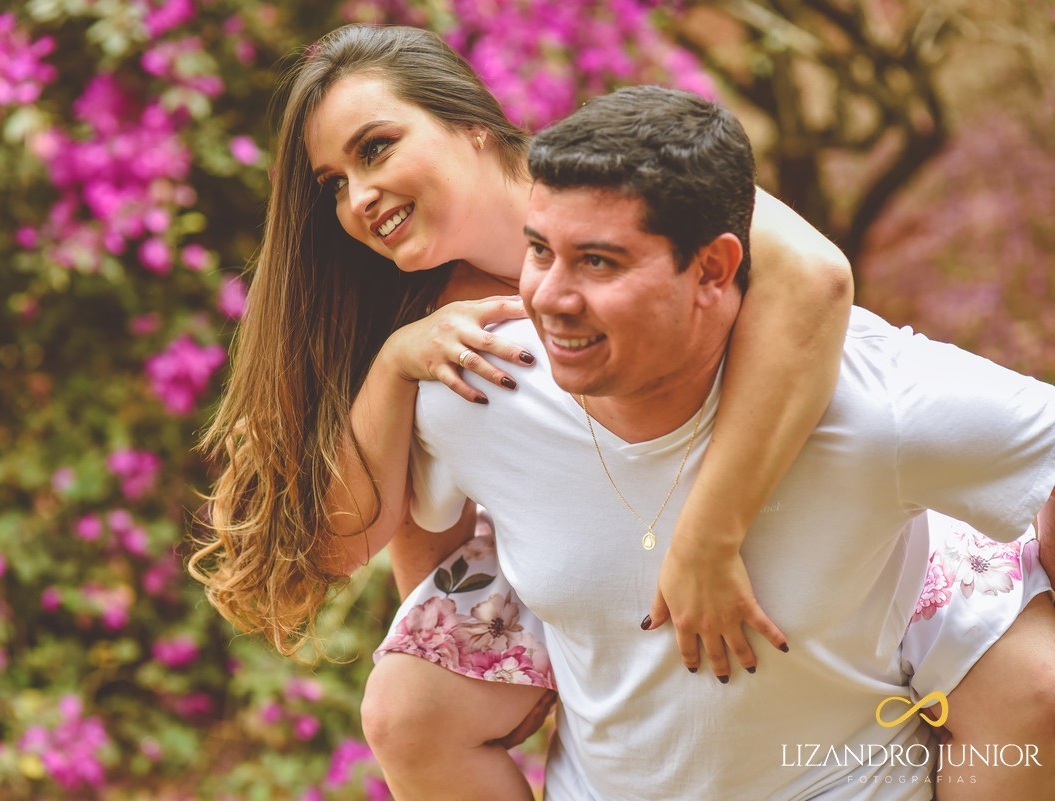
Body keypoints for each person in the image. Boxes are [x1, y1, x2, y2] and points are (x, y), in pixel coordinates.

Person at [187, 24, 1053, 799]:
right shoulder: (421, 323)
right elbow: (391, 535)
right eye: (334, 182)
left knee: (1029, 681)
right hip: (576, 559)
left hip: (816, 506)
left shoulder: (619, 183)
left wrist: (709, 535)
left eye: (375, 148)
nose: (358, 197)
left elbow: (814, 278)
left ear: (471, 124)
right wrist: (392, 366)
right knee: (409, 703)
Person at [401, 83, 1055, 798]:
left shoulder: (874, 402)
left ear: (712, 268)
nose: (550, 296)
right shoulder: (482, 389)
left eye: (598, 262)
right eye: (538, 251)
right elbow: (401, 531)